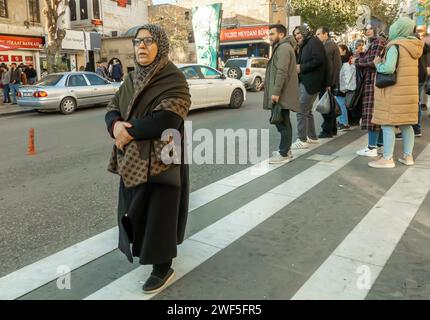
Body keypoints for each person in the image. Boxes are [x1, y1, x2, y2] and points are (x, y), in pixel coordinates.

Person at [105, 24, 191, 294]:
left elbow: (169, 118)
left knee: (160, 214)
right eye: (137, 41)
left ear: (161, 45)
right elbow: (113, 108)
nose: (141, 46)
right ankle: (144, 251)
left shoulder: (173, 78)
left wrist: (127, 133)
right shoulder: (131, 79)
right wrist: (115, 126)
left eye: (148, 41)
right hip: (132, 160)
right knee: (136, 209)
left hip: (162, 160)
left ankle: (163, 267)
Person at [369, 17, 424, 168]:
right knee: (407, 125)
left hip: (394, 93)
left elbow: (388, 69)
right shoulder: (415, 46)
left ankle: (387, 159)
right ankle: (408, 156)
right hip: (409, 93)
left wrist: (378, 64)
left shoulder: (395, 46)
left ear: (398, 29)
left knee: (387, 124)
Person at [263, 24, 300, 164]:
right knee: (283, 121)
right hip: (282, 92)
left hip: (281, 93)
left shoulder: (283, 48)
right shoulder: (282, 47)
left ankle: (284, 153)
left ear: (281, 35)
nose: (270, 37)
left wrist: (276, 92)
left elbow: (282, 71)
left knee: (282, 122)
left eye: (272, 34)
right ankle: (287, 150)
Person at [352, 22, 387, 157]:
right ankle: (379, 145)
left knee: (371, 113)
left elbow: (373, 62)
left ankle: (372, 147)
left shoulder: (378, 42)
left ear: (377, 28)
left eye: (370, 29)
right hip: (373, 80)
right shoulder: (376, 42)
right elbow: (370, 59)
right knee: (376, 113)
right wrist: (361, 55)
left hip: (373, 81)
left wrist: (357, 61)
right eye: (366, 30)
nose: (367, 31)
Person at [291, 25, 327, 149]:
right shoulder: (306, 43)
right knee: (307, 111)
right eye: (295, 35)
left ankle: (302, 139)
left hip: (311, 82)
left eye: (298, 33)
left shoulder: (313, 42)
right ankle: (312, 137)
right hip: (307, 81)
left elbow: (319, 60)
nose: (297, 36)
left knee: (301, 110)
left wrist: (301, 67)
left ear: (304, 32)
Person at [316, 26, 342, 138]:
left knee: (326, 106)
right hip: (330, 81)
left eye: (318, 34)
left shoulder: (328, 45)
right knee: (329, 105)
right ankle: (332, 129)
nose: (316, 36)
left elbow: (329, 66)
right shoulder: (329, 45)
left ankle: (327, 130)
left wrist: (328, 83)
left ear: (325, 34)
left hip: (328, 81)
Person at [337, 44, 355, 130]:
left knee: (341, 103)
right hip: (344, 84)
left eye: (339, 49)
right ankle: (342, 121)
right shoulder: (348, 59)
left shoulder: (343, 59)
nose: (337, 51)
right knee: (341, 103)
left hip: (342, 84)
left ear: (344, 50)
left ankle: (344, 122)